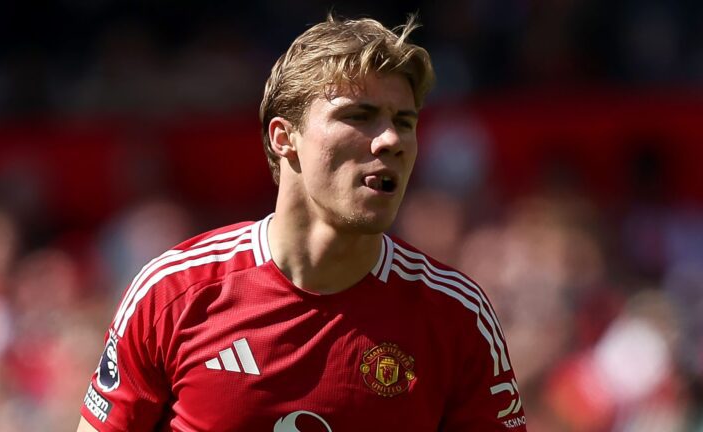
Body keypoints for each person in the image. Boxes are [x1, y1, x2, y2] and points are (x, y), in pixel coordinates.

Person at [78, 14, 526, 431]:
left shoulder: (456, 315)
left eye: (404, 122)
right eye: (359, 116)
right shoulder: (173, 293)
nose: (391, 139)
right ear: (284, 137)